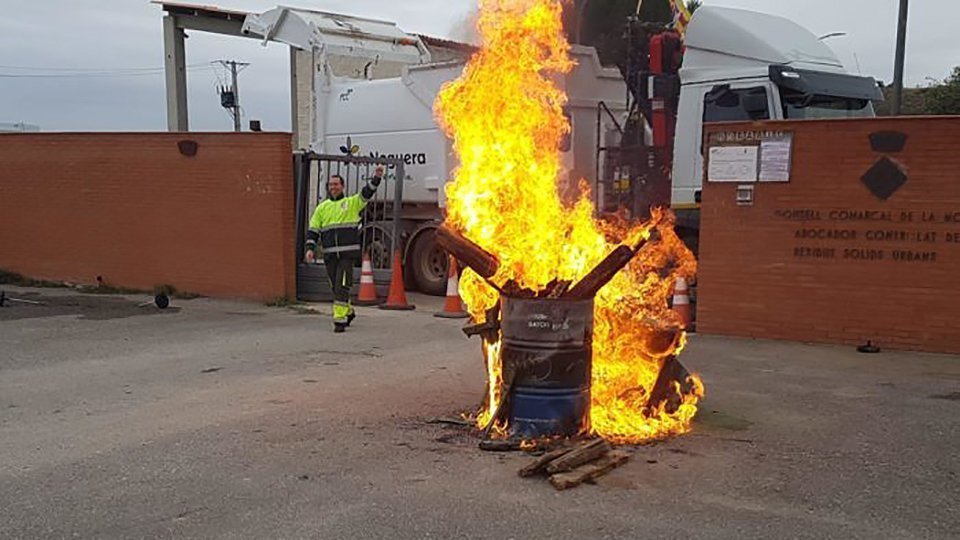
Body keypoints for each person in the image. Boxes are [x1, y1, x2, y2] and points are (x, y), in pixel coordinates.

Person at [305, 167, 384, 333]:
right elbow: (313, 230)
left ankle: (339, 321)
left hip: (347, 255)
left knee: (342, 286)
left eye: (336, 184)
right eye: (330, 184)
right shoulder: (322, 208)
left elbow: (366, 193)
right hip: (330, 255)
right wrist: (310, 248)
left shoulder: (351, 203)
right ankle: (348, 311)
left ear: (343, 186)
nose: (333, 187)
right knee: (335, 287)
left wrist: (376, 177)